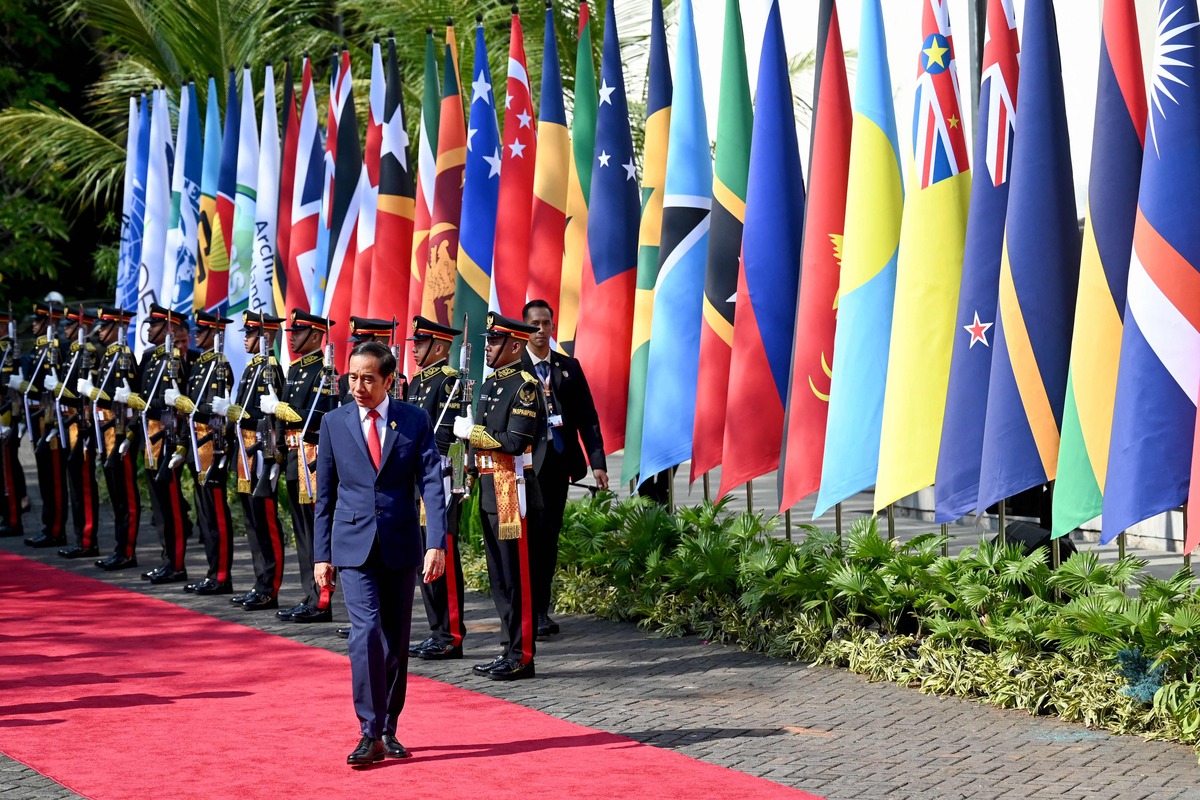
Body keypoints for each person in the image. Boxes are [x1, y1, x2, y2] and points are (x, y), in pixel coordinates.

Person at [313, 340, 447, 767]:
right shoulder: (334, 422)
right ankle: (367, 730)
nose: (358, 385)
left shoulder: (414, 420)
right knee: (365, 632)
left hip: (401, 543)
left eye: (368, 378)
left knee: (395, 643)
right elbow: (325, 496)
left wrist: (435, 543)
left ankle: (389, 728)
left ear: (390, 380)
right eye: (352, 376)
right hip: (352, 546)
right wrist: (322, 554)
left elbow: (431, 484)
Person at [453, 312, 546, 681]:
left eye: (492, 342)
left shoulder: (524, 385)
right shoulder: (492, 384)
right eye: (487, 341)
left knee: (517, 576)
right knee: (499, 579)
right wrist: (468, 474)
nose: (487, 347)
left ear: (513, 344)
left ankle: (522, 655)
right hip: (492, 489)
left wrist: (472, 434)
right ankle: (508, 648)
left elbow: (515, 441)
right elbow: (480, 444)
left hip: (513, 491)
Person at [520, 300, 608, 637]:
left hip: (557, 466)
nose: (542, 331)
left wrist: (597, 462)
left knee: (547, 540)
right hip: (525, 467)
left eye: (546, 324)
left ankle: (541, 610)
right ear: (525, 329)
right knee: (527, 540)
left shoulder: (567, 366)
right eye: (535, 325)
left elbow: (587, 417)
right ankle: (523, 609)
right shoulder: (515, 368)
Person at [271, 309, 339, 624]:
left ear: (314, 335)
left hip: (310, 458)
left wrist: (282, 408)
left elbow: (322, 417)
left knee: (316, 531)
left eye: (297, 333)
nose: (292, 338)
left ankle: (322, 599)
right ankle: (309, 594)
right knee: (301, 531)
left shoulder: (323, 372)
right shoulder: (296, 368)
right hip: (292, 457)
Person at [404, 316, 465, 660]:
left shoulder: (449, 382)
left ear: (439, 347)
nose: (415, 350)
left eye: (421, 344)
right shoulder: (416, 382)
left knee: (441, 552)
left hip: (438, 476)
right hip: (417, 475)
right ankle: (437, 629)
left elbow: (448, 433)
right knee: (423, 556)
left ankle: (451, 633)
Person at [220, 312, 286, 611]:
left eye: (250, 333)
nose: (244, 338)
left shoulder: (271, 369)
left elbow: (271, 418)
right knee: (251, 520)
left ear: (266, 337)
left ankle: (269, 588)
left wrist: (239, 414)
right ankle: (259, 582)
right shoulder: (251, 368)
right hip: (245, 453)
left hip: (261, 453)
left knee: (266, 521)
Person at [126, 303, 193, 584]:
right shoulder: (151, 356)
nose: (149, 330)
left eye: (152, 325)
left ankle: (177, 563)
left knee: (172, 504)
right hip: (150, 436)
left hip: (169, 436)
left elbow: (185, 401)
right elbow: (143, 397)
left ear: (168, 328)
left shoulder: (179, 359)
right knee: (158, 504)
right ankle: (168, 558)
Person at [78, 308, 142, 570]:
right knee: (116, 494)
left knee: (126, 496)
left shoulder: (123, 356)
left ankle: (126, 551)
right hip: (107, 432)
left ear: (118, 327)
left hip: (120, 432)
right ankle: (119, 548)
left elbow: (125, 399)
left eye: (105, 327)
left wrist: (93, 392)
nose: (100, 332)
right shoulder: (109, 356)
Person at [181, 311, 236, 595]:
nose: (195, 336)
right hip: (196, 445)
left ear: (215, 335)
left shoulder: (219, 366)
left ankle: (222, 576)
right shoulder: (201, 365)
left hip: (211, 448)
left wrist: (192, 408)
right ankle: (212, 572)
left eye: (201, 331)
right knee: (205, 514)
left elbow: (216, 410)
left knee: (216, 515)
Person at [13, 301, 69, 548]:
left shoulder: (59, 348)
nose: (34, 325)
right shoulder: (39, 349)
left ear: (49, 323)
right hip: (38, 419)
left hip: (52, 420)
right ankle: (49, 525)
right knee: (45, 475)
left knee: (54, 476)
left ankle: (56, 529)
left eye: (38, 321)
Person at [56, 307, 102, 559]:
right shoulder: (74, 351)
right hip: (69, 424)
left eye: (70, 326)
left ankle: (87, 539)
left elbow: (86, 393)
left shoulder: (89, 353)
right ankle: (79, 537)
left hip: (82, 426)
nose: (65, 330)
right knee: (74, 481)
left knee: (83, 482)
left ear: (81, 328)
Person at [0, 307, 27, 538]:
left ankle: (13, 519)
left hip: (5, 418)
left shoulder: (8, 352)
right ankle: (7, 516)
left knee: (8, 471)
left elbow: (11, 390)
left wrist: (11, 420)